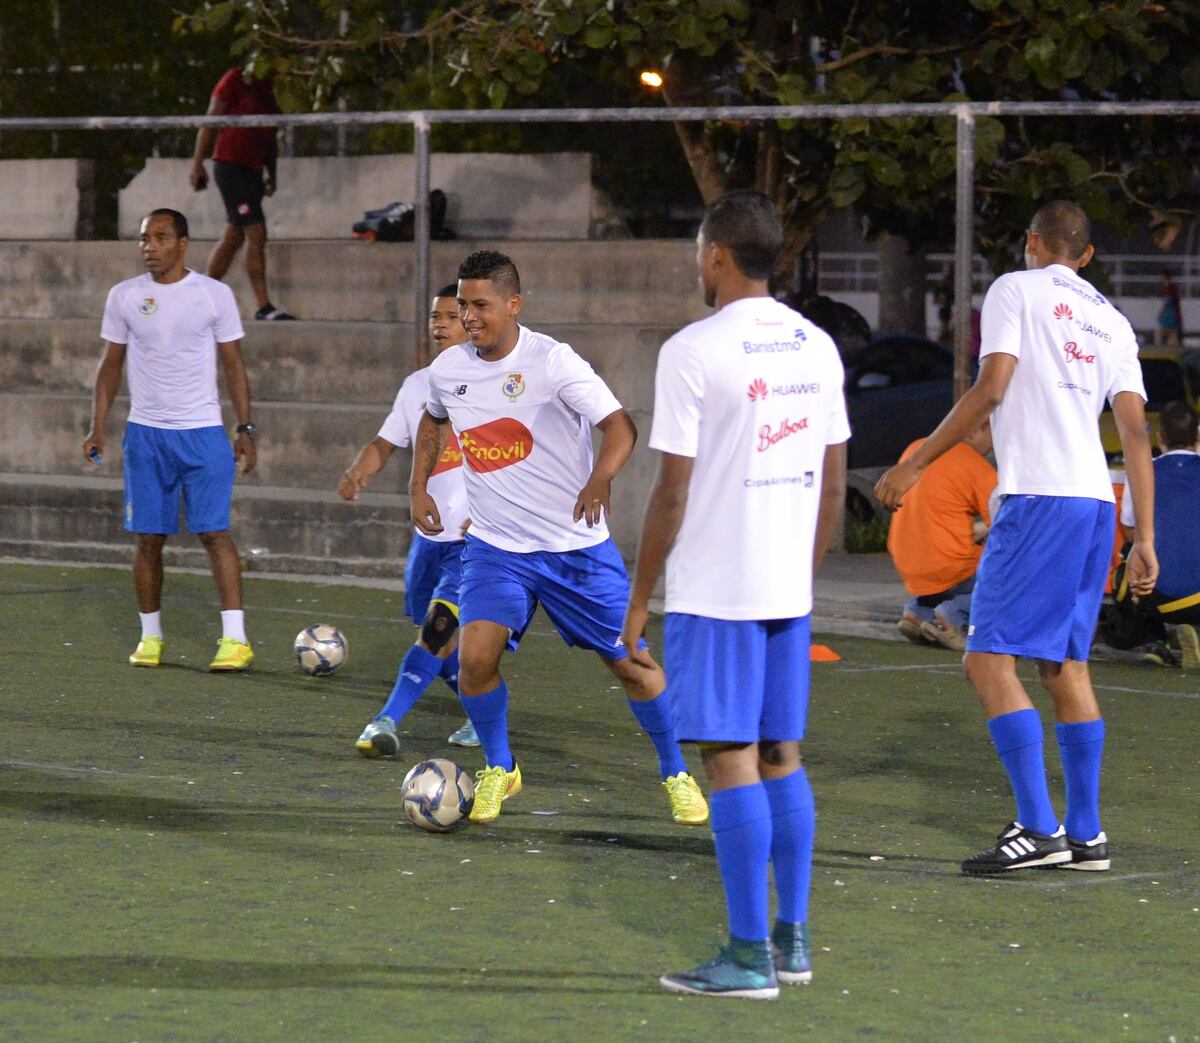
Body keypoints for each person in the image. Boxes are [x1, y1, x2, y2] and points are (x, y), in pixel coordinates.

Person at [875, 200, 1158, 876]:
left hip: (1038, 498)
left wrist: (915, 461)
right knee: (1066, 666)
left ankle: (1038, 826)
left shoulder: (1014, 288)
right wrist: (1144, 534)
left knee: (986, 659)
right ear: (1085, 254)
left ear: (1033, 243)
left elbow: (991, 387)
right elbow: (1138, 431)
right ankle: (1085, 834)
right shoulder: (1113, 322)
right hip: (1095, 502)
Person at [621, 190, 849, 999]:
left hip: (718, 588)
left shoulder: (693, 348)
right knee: (783, 754)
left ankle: (748, 956)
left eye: (698, 250)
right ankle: (793, 940)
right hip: (787, 587)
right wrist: (803, 569)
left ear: (716, 254)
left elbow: (671, 492)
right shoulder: (818, 345)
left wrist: (640, 596)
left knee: (729, 759)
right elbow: (832, 482)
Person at [409, 250, 708, 827]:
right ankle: (502, 767)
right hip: (496, 548)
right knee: (474, 663)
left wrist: (600, 477)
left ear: (513, 305)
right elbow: (433, 416)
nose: (469, 316)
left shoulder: (552, 362)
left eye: (481, 305)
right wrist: (418, 485)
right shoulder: (449, 370)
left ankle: (675, 771)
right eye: (463, 306)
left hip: (575, 550)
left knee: (631, 664)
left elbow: (620, 426)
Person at [84, 208, 257, 672]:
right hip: (146, 435)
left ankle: (235, 640)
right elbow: (110, 366)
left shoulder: (213, 295)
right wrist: (97, 425)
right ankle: (151, 637)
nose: (149, 248)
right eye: (144, 239)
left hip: (202, 433)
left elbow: (234, 365)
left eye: (160, 238)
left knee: (214, 533)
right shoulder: (124, 297)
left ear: (183, 243)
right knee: (148, 539)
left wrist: (245, 428)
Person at [339, 286, 479, 754]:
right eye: (433, 317)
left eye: (449, 316)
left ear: (470, 322)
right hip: (428, 538)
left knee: (438, 628)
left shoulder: (496, 385)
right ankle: (485, 709)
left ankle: (384, 722)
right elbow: (386, 442)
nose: (438, 324)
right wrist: (361, 469)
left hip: (474, 541)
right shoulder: (419, 384)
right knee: (434, 632)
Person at [189, 67, 294, 321]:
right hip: (231, 165)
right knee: (256, 231)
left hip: (253, 170)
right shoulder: (236, 78)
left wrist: (272, 173)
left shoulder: (272, 87)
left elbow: (270, 138)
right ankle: (263, 306)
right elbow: (211, 120)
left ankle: (198, 300)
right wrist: (198, 162)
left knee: (234, 236)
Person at [1106, 400, 1200, 669]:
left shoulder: (1142, 473)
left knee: (1130, 553)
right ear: (1197, 436)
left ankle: (1157, 638)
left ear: (1160, 438)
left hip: (1157, 596)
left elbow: (1130, 530)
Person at [888, 422, 996, 651]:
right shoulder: (976, 465)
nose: (994, 444)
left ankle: (917, 613)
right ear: (975, 430)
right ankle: (953, 615)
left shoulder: (917, 448)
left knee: (944, 576)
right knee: (1010, 575)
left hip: (907, 561)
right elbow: (1006, 521)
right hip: (948, 564)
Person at [1155, 272, 1182, 350]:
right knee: (1172, 332)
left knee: (1163, 332)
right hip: (1173, 311)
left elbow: (1167, 301)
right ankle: (1174, 348)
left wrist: (1161, 311)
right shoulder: (1172, 288)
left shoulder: (1168, 288)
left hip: (1169, 312)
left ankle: (1159, 349)